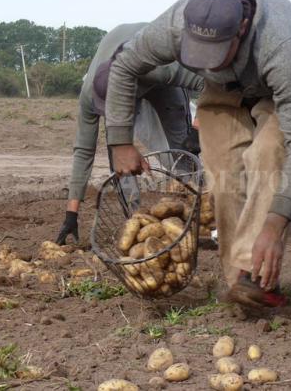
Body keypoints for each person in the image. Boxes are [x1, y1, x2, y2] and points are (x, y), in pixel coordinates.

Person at [104, 0, 291, 307]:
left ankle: (255, 272)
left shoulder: (280, 45)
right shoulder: (175, 26)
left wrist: (277, 224)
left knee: (268, 152)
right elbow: (124, 65)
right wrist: (120, 141)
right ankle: (242, 283)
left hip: (285, 89)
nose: (208, 57)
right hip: (225, 87)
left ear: (241, 28)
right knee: (223, 175)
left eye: (216, 51)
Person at [55, 22, 203, 245]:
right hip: (122, 65)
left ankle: (196, 213)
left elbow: (209, 80)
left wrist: (198, 124)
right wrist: (71, 214)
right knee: (119, 154)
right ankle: (134, 219)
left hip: (153, 67)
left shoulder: (163, 68)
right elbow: (84, 150)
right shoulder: (89, 95)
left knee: (184, 149)